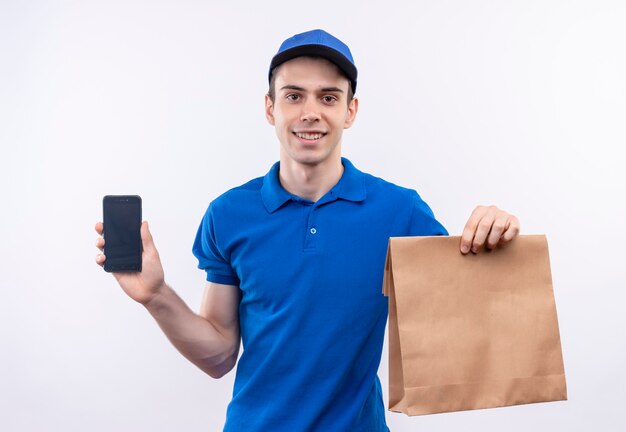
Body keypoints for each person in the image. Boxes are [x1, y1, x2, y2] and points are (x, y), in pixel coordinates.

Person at [95, 29, 520, 432]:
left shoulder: (399, 211)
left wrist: (496, 238)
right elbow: (220, 355)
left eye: (328, 97)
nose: (310, 113)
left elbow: (466, 318)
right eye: (293, 96)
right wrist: (155, 295)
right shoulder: (228, 214)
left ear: (350, 111)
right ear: (270, 108)